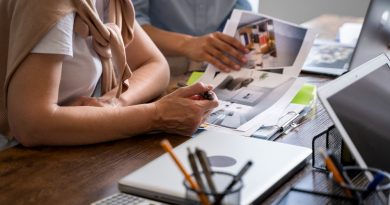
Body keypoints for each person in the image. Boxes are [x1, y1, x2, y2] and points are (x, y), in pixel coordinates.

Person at [0, 0, 218, 147]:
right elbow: (31, 126)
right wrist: (156, 115)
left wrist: (115, 103)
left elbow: (155, 64)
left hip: (71, 144)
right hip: (19, 158)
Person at [133, 0, 252, 73]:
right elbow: (128, 25)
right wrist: (186, 44)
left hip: (217, 63)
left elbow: (240, 6)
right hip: (158, 63)